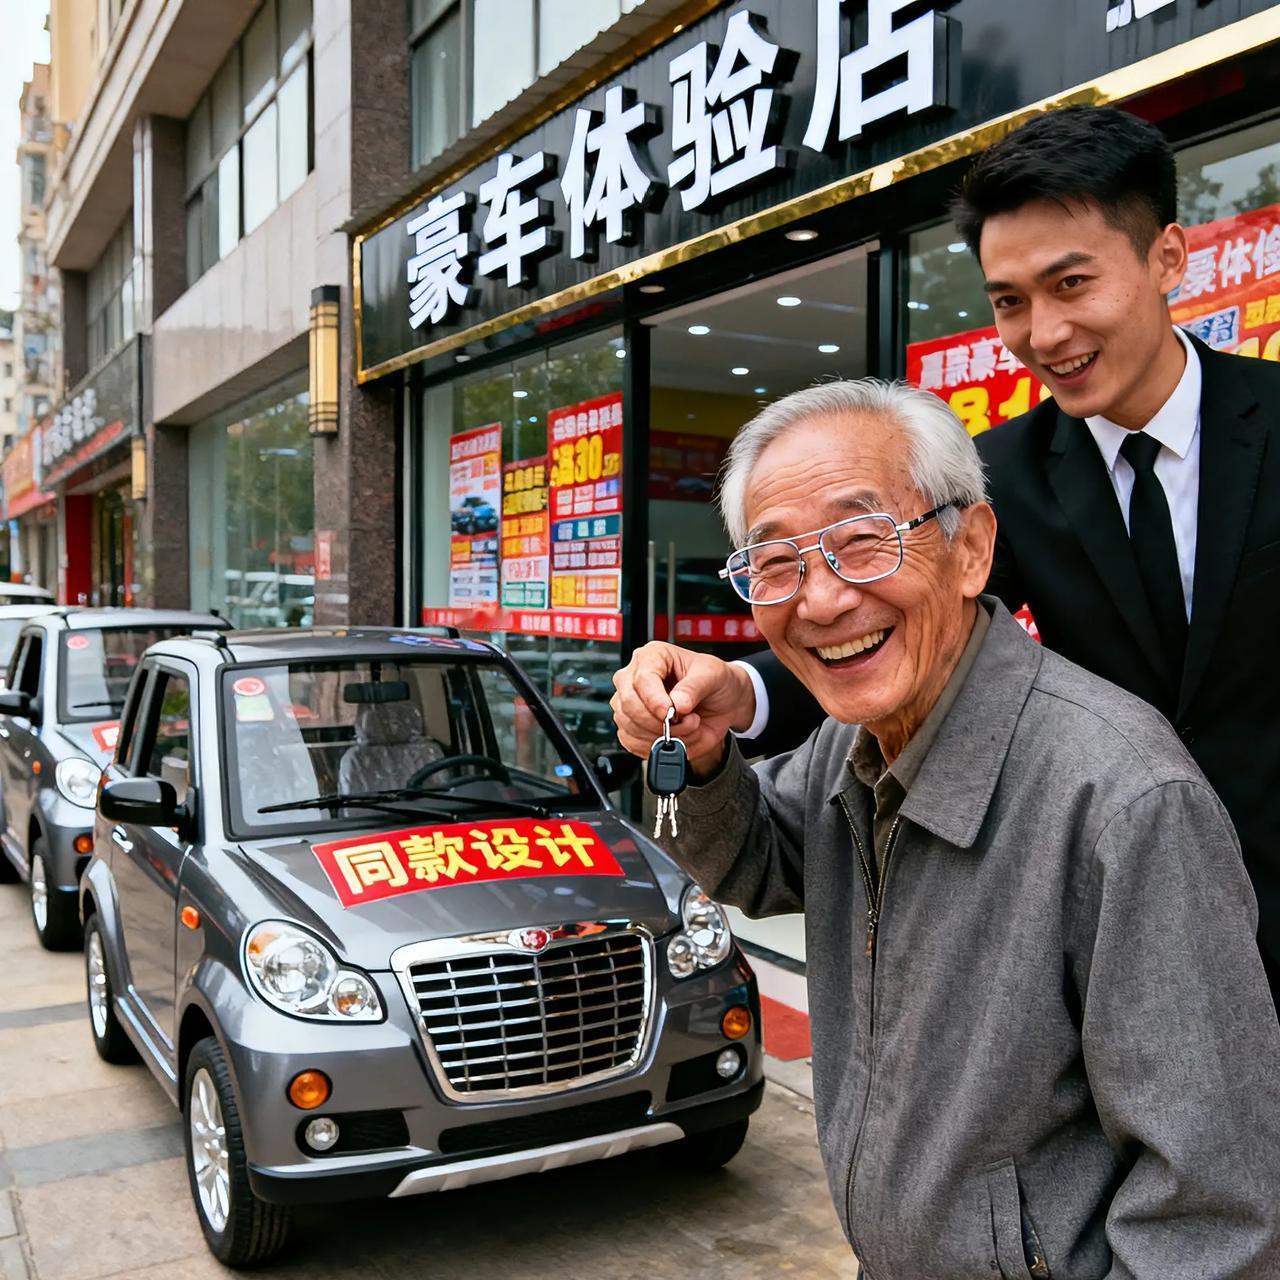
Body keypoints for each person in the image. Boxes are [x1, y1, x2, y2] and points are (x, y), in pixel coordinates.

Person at [611, 379, 1280, 1278]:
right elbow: (759, 863)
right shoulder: (853, 736)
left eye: (860, 541)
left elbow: (1214, 1215)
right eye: (775, 562)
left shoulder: (1123, 799)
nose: (819, 601)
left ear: (971, 551)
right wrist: (700, 758)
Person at [716, 106, 1280, 989]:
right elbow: (900, 610)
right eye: (1009, 302)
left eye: (1071, 285)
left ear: (1167, 257)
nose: (1043, 335)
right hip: (1113, 926)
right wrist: (741, 690)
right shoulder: (997, 478)